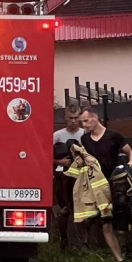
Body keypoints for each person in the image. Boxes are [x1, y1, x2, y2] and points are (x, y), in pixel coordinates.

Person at [77, 105, 132, 262]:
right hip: (98, 188)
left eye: (86, 121)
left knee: (122, 226)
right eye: (82, 122)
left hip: (116, 185)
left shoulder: (113, 136)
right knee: (106, 223)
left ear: (94, 117)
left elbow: (130, 152)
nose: (84, 125)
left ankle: (130, 249)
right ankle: (120, 261)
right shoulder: (84, 140)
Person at [52, 104, 84, 248]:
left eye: (75, 118)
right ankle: (63, 240)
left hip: (80, 178)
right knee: (64, 210)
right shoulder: (58, 135)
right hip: (62, 178)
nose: (73, 121)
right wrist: (60, 161)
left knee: (82, 210)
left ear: (80, 118)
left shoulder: (84, 135)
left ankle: (84, 243)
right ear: (65, 118)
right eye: (70, 118)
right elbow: (45, 155)